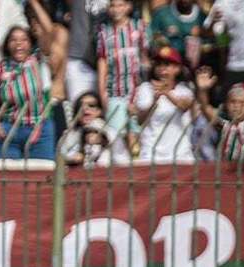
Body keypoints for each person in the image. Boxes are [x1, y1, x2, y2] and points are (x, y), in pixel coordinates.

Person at [0, 3, 64, 160]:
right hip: (9, 129)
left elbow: (49, 31)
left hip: (39, 128)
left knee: (41, 177)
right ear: (7, 45)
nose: (19, 43)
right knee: (7, 179)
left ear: (30, 43)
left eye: (24, 40)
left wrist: (34, 2)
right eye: (13, 40)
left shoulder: (38, 60)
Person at [96, 0, 150, 141]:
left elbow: (146, 58)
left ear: (128, 7)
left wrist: (144, 88)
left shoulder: (139, 27)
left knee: (139, 137)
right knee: (116, 138)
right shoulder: (104, 32)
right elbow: (103, 63)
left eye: (120, 5)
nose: (116, 10)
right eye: (113, 6)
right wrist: (102, 94)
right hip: (115, 93)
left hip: (137, 93)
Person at [133, 46, 195, 163]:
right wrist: (154, 101)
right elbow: (140, 120)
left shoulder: (185, 90)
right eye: (158, 64)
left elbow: (184, 106)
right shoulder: (145, 88)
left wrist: (166, 93)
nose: (162, 69)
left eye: (166, 64)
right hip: (151, 155)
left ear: (177, 68)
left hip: (181, 155)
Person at [196, 67, 244, 165]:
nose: (236, 106)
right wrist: (203, 90)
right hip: (225, 173)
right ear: (226, 105)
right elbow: (206, 108)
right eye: (233, 102)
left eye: (241, 102)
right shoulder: (225, 122)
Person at [60, 91, 121, 167]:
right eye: (80, 106)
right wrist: (72, 159)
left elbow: (121, 161)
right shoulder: (69, 134)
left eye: (91, 105)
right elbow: (60, 157)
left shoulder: (111, 133)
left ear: (99, 111)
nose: (85, 108)